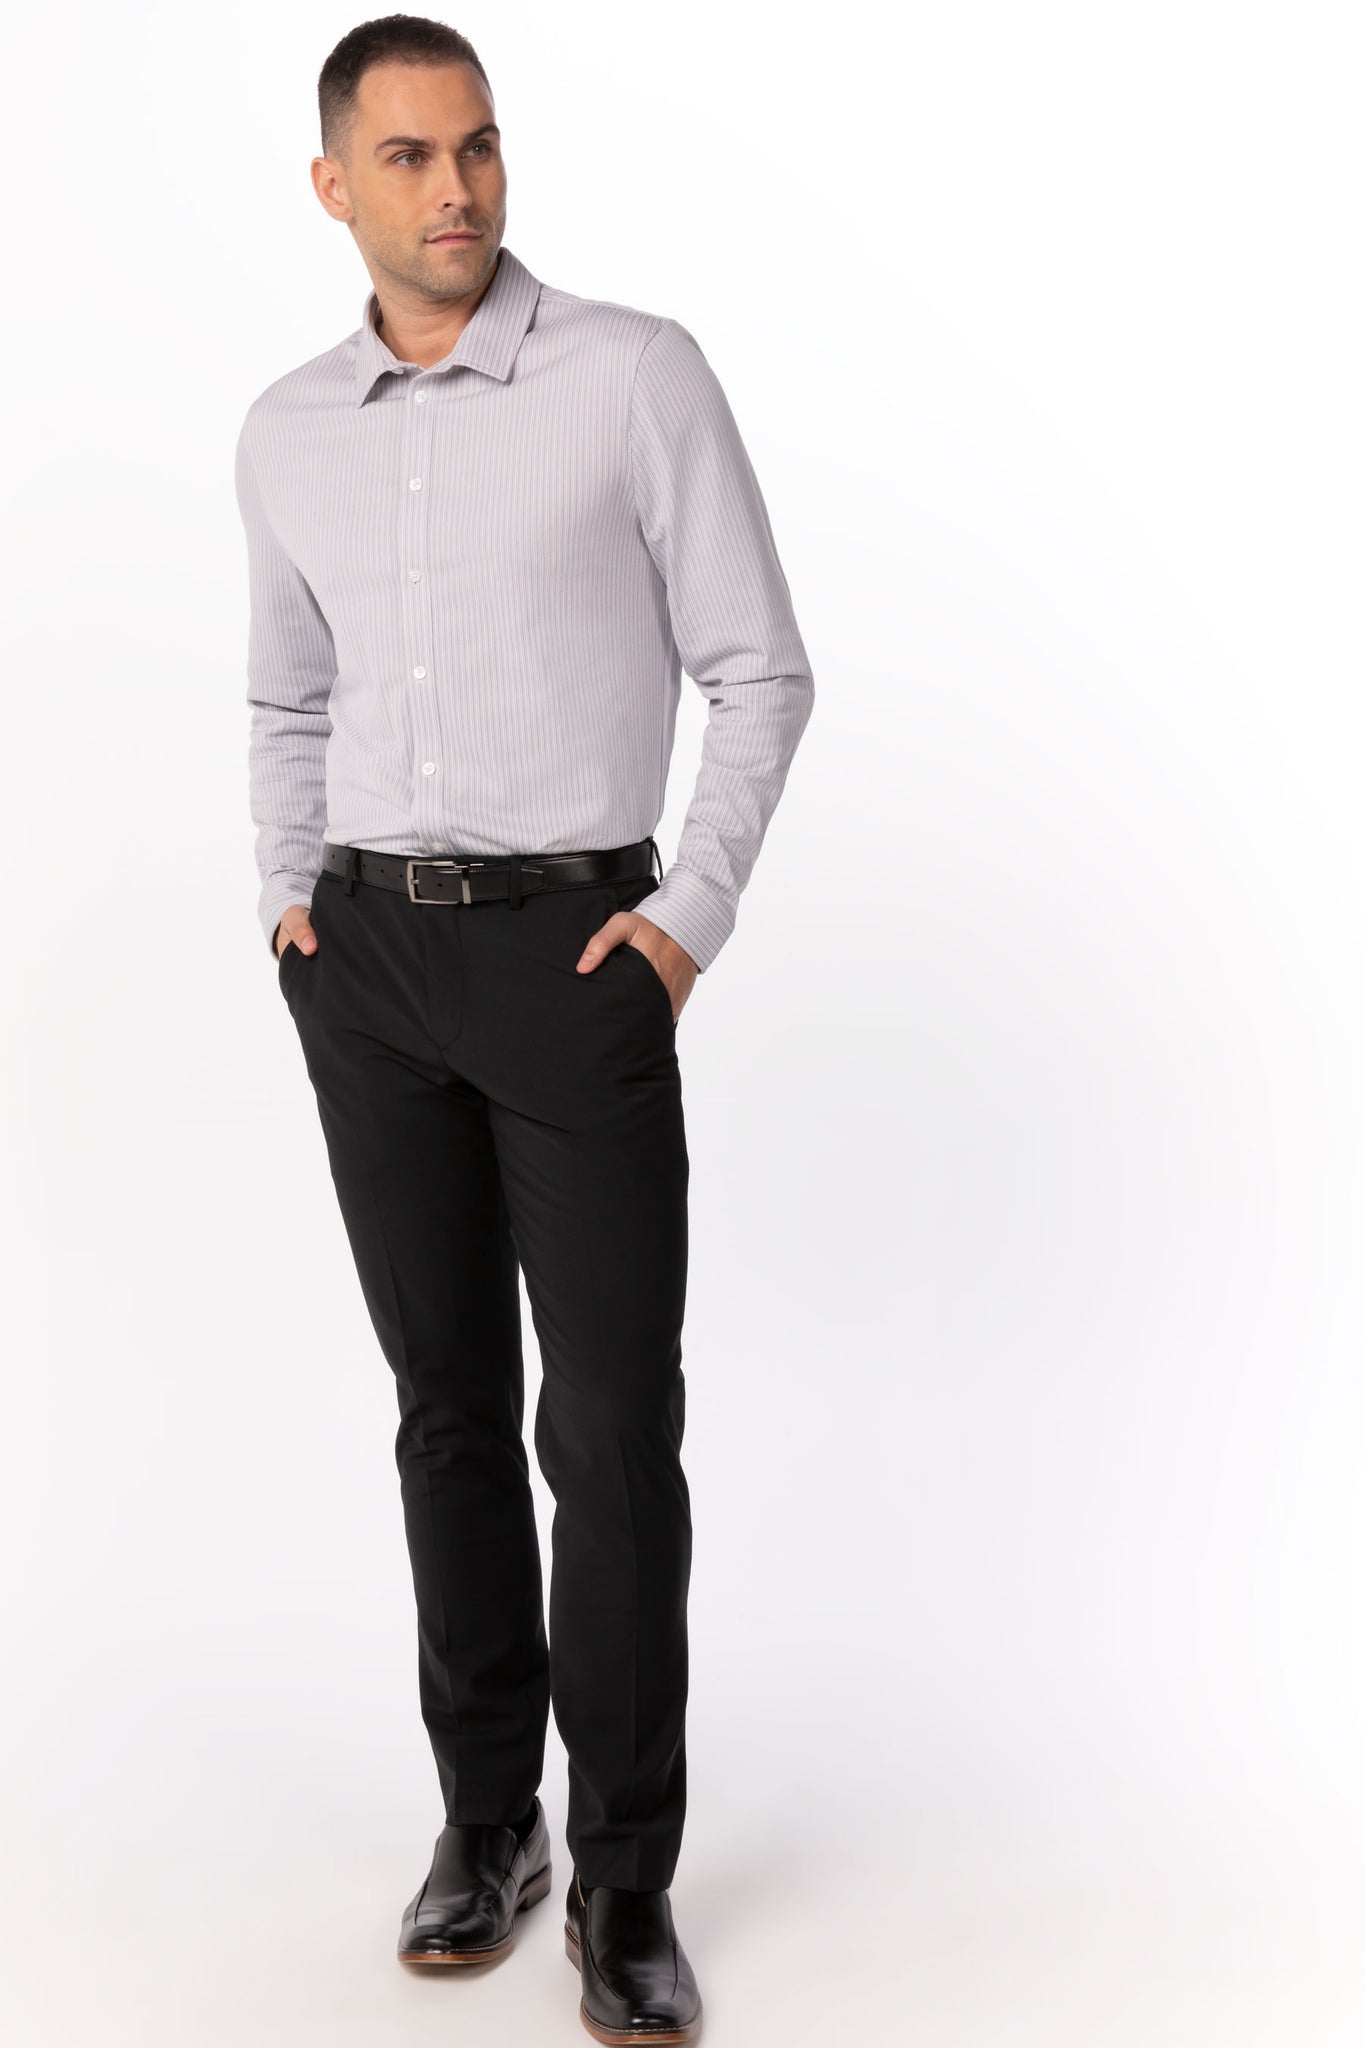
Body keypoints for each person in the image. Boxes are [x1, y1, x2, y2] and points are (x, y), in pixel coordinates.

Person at [234, 16, 814, 2040]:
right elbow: (283, 695)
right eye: (406, 157)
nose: (455, 188)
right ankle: (490, 1821)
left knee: (612, 1429)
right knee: (448, 1412)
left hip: (580, 960)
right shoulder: (285, 431)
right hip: (369, 967)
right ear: (335, 187)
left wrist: (680, 927)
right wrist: (291, 904)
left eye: (475, 146)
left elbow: (760, 668)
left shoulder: (633, 376)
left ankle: (625, 1876)